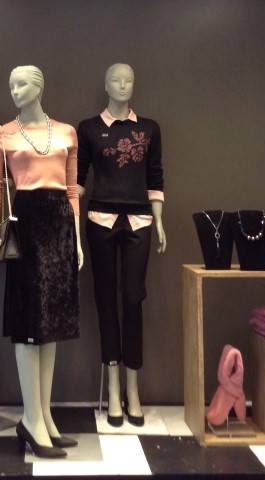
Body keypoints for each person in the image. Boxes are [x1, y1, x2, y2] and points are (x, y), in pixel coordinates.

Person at [0, 66, 83, 459]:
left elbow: (72, 189)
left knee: (51, 324)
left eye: (21, 83)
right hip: (25, 225)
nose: (14, 90)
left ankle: (44, 416)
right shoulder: (2, 133)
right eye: (10, 84)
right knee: (29, 324)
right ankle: (30, 418)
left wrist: (77, 241)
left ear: (39, 86)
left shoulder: (67, 132)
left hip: (60, 225)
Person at [76, 63, 166, 428]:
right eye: (116, 79)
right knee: (104, 299)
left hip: (140, 221)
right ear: (106, 84)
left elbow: (155, 176)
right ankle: (113, 387)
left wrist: (159, 221)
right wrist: (67, 219)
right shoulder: (88, 128)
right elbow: (78, 179)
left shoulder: (149, 129)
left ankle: (133, 387)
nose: (123, 85)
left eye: (129, 79)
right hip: (100, 219)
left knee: (132, 298)